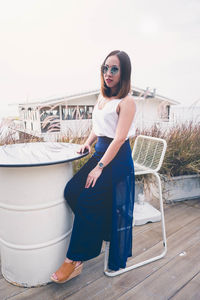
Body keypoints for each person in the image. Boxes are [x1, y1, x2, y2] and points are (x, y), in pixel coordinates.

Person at [51, 50, 136, 283]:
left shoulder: (127, 102)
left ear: (124, 72)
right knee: (71, 191)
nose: (108, 73)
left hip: (116, 160)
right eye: (105, 68)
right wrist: (87, 143)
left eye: (114, 69)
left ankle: (74, 260)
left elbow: (118, 139)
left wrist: (98, 166)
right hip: (100, 153)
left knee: (87, 199)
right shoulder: (102, 98)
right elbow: (98, 127)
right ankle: (97, 231)